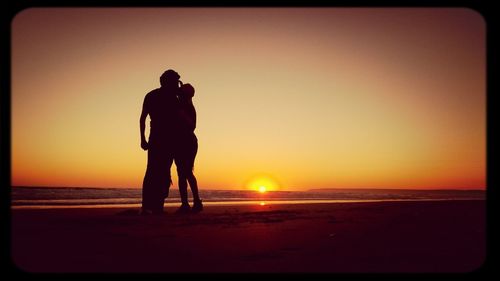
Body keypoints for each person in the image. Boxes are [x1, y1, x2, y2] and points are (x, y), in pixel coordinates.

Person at [139, 69, 182, 215]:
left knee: (155, 172)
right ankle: (153, 206)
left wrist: (142, 139)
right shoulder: (173, 98)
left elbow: (143, 118)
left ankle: (152, 206)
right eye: (175, 81)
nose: (177, 84)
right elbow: (143, 117)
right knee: (159, 172)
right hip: (164, 139)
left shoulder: (152, 95)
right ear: (168, 82)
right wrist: (142, 138)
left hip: (160, 139)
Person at [174, 82, 203, 213]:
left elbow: (192, 126)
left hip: (188, 142)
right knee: (183, 173)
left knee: (186, 172)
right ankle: (188, 203)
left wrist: (182, 115)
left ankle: (194, 202)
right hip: (180, 142)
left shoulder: (188, 107)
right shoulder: (182, 104)